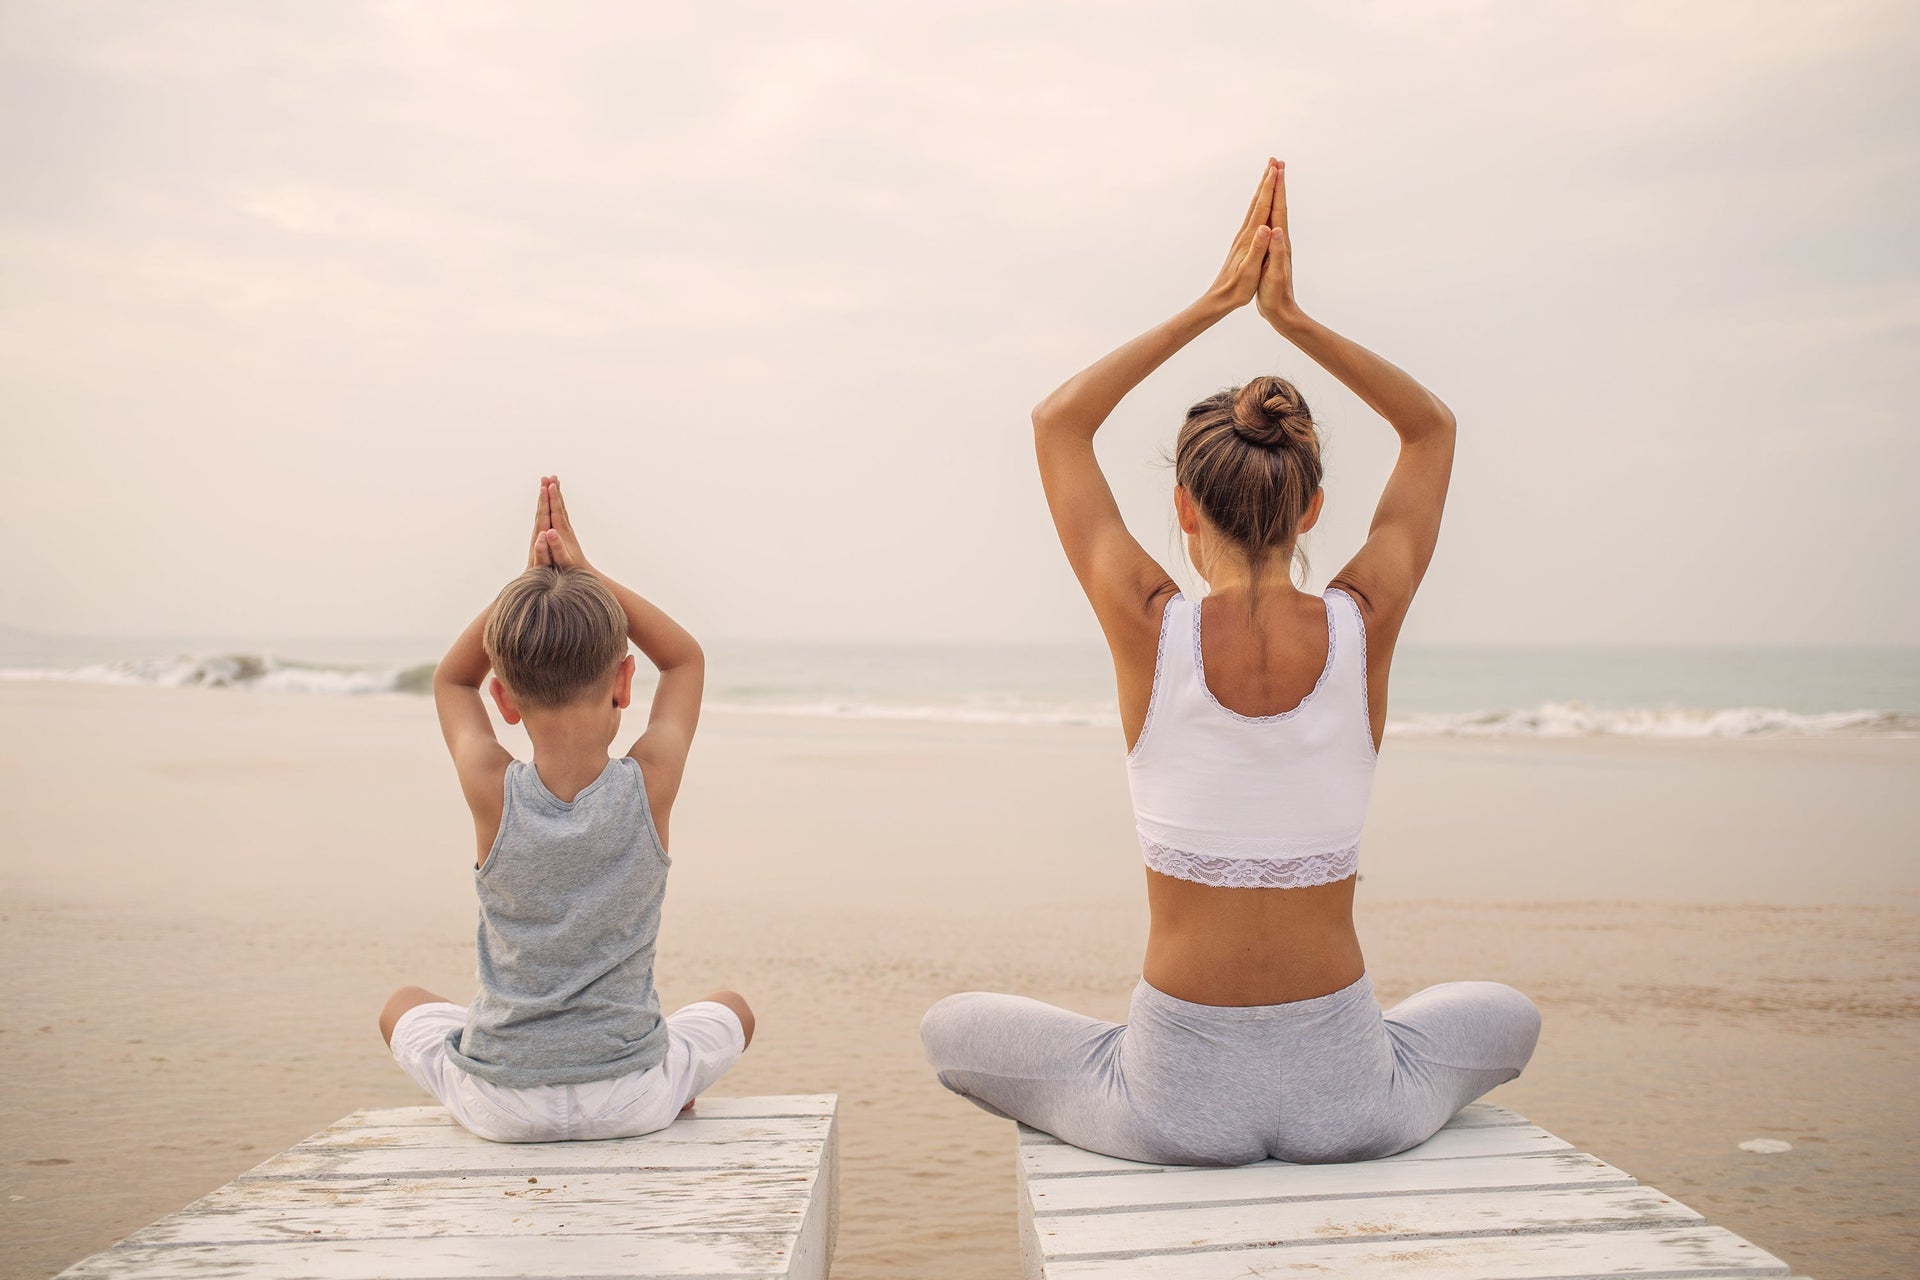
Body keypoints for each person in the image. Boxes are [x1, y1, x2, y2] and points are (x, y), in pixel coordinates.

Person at [919, 160, 1540, 1166]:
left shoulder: (1148, 626)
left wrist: (1216, 302)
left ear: (1181, 507)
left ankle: (1135, 1065)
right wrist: (1291, 319)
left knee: (951, 1028)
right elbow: (1432, 428)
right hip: (1353, 1099)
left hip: (1173, 1106)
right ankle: (1349, 1065)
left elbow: (1057, 422)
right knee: (1506, 1014)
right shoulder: (1363, 621)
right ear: (1311, 509)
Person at [378, 476, 753, 1143]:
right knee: (732, 1009)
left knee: (402, 1006)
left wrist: (525, 584)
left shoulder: (491, 789)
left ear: (504, 699)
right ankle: (673, 1092)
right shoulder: (651, 783)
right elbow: (686, 659)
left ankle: (493, 1082)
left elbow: (449, 679)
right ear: (624, 682)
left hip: (503, 1103)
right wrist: (585, 572)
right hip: (630, 1095)